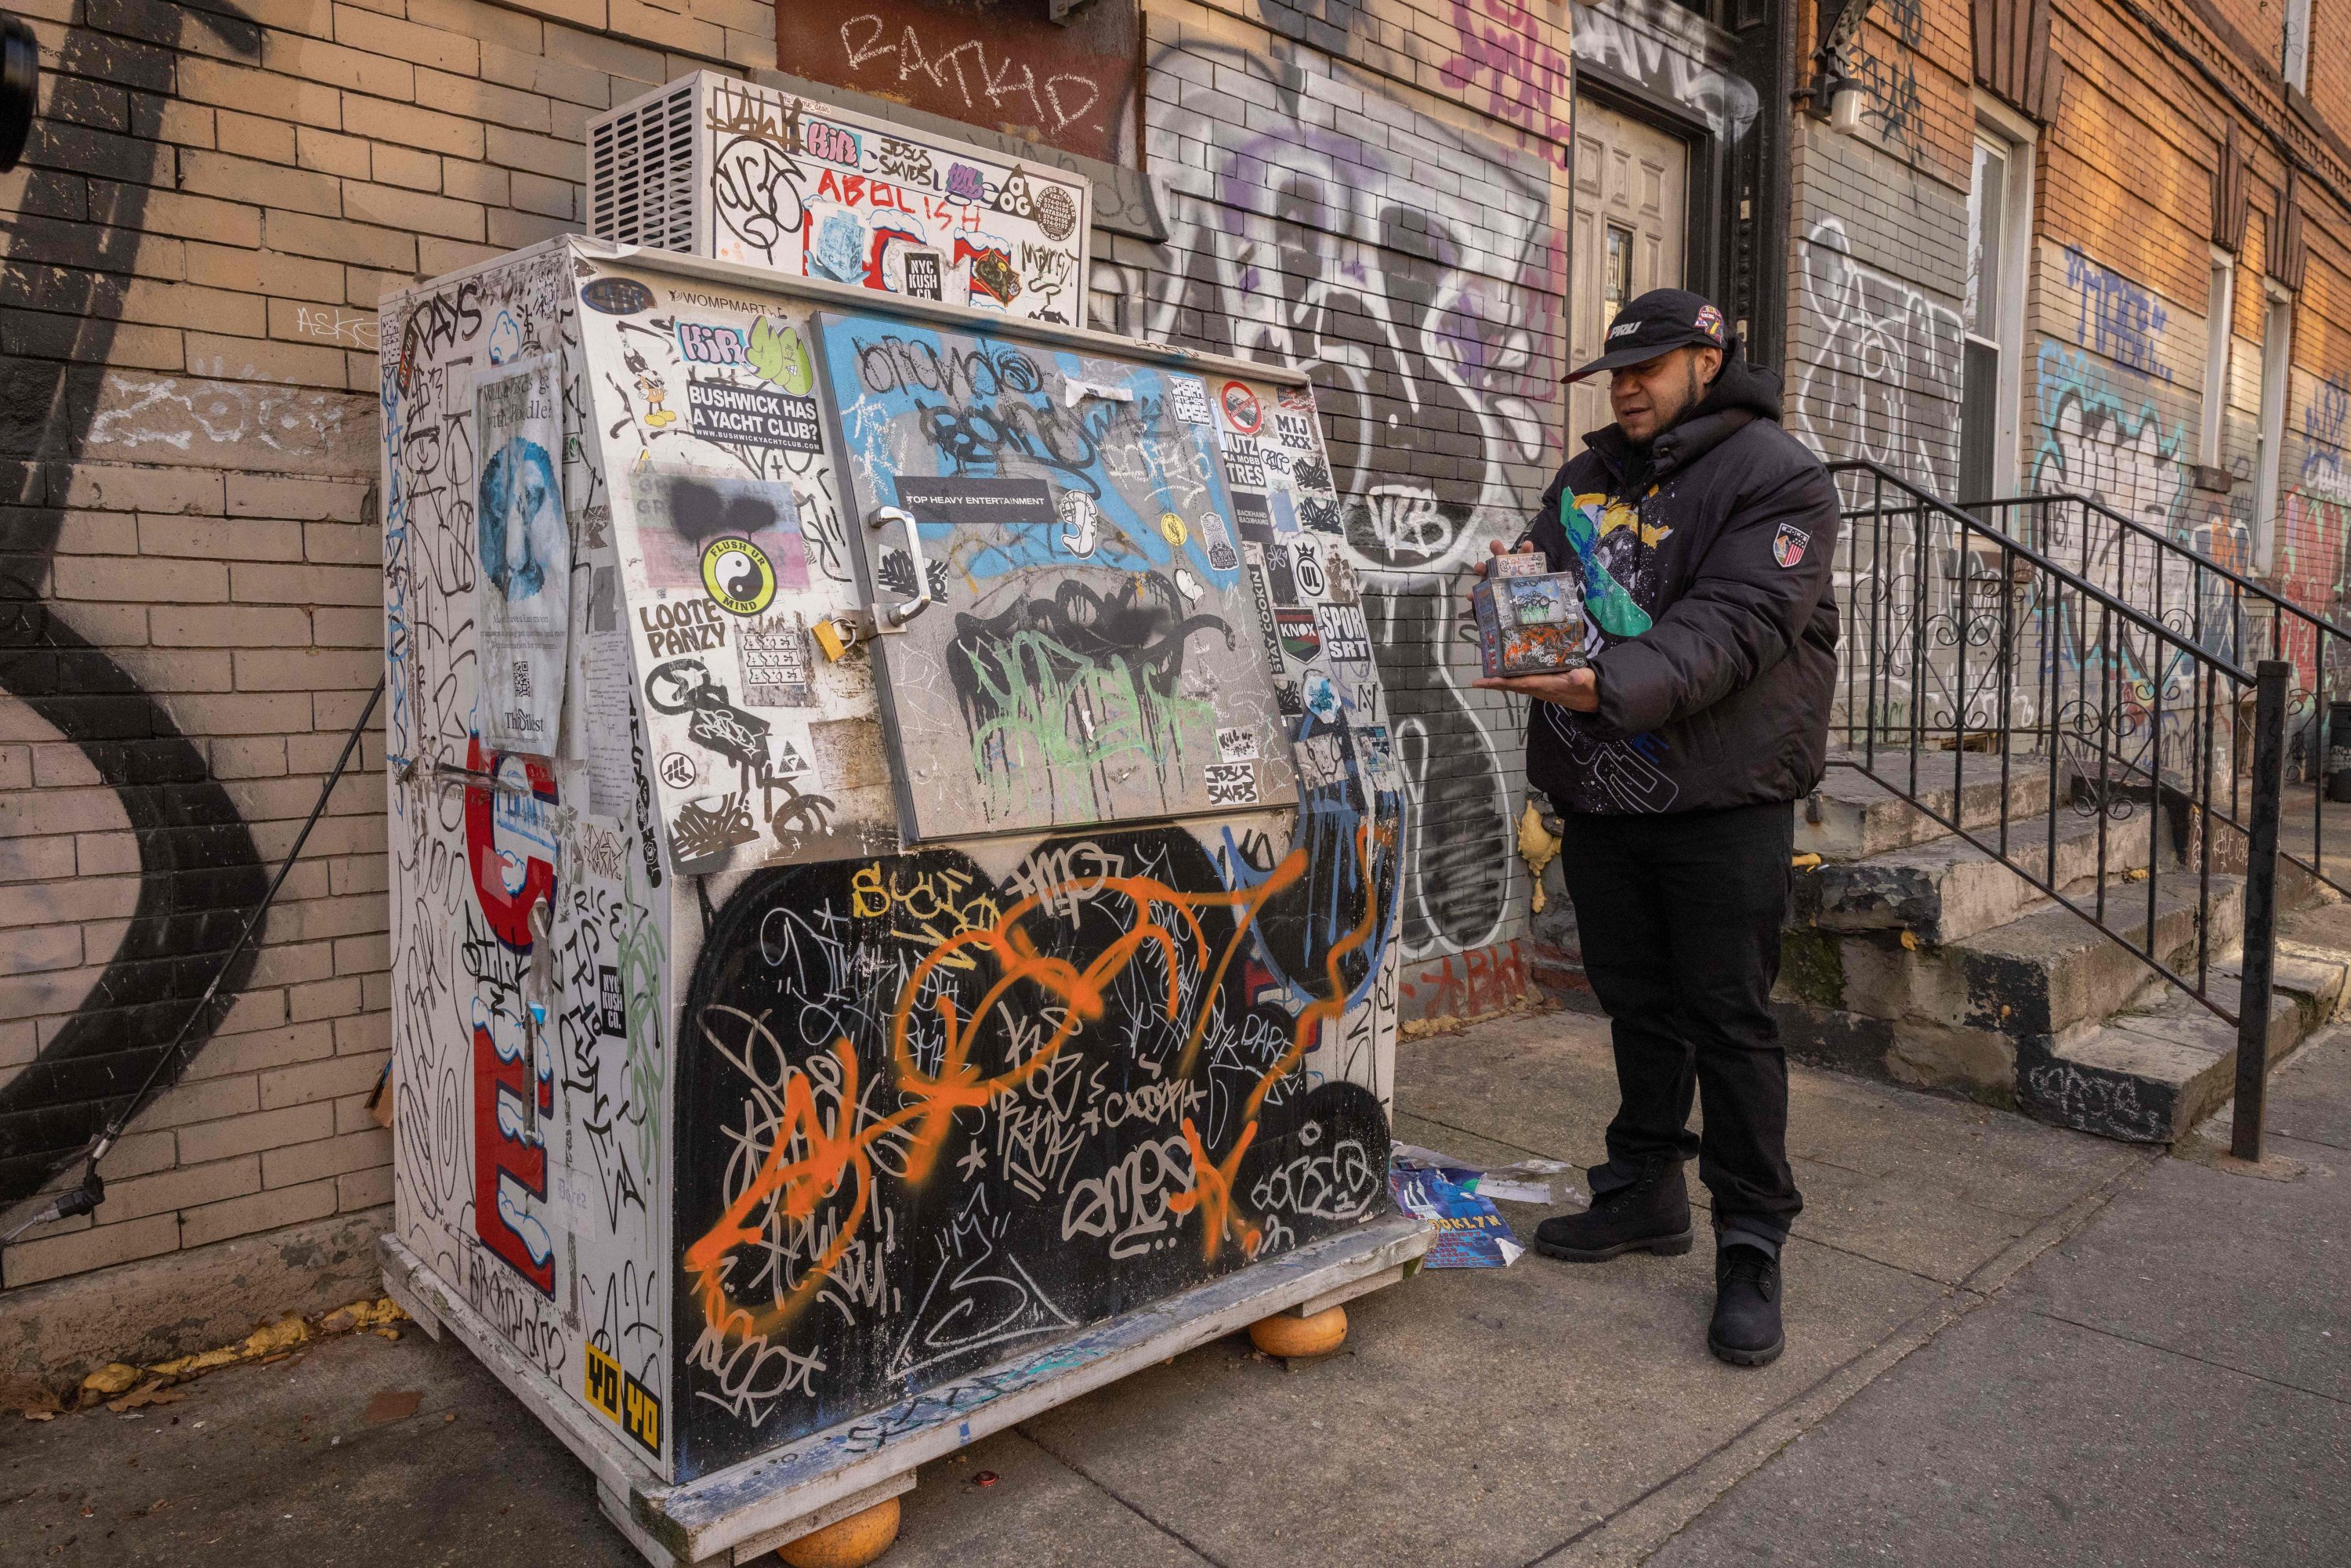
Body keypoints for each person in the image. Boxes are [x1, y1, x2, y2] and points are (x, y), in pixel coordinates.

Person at [1469, 288, 1840, 1368]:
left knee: (1727, 1017)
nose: (1625, 387)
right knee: (1635, 1002)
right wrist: (1508, 588)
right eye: (1615, 371)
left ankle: (1752, 1238)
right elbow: (1543, 584)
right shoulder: (1586, 477)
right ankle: (1642, 1189)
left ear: (1708, 360)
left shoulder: (1779, 477)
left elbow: (1735, 626)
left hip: (1723, 794)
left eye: (1650, 366)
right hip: (1604, 790)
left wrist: (1599, 683)